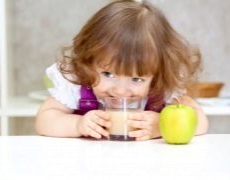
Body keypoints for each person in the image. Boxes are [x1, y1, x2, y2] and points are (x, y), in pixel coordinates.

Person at [35, 0, 208, 141]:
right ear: (88, 62)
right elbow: (44, 120)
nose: (120, 90)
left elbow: (200, 122)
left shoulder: (163, 88)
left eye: (137, 79)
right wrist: (77, 124)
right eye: (108, 74)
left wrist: (161, 126)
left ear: (157, 74)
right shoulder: (77, 85)